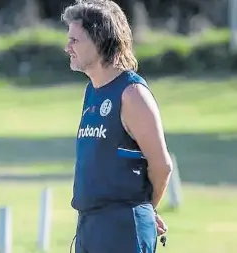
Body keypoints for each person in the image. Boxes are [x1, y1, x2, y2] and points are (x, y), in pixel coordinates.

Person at [61, 1, 172, 252]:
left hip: (123, 228)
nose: (67, 47)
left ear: (100, 40)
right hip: (90, 225)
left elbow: (162, 166)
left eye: (75, 40)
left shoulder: (132, 94)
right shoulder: (92, 91)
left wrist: (145, 209)